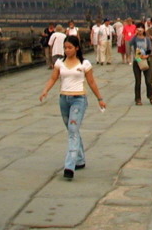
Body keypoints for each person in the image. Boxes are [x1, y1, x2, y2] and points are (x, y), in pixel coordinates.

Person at [39, 36, 105, 180]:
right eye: (65, 48)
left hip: (79, 99)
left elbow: (91, 82)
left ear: (77, 48)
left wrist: (100, 99)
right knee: (71, 129)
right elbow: (53, 78)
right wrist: (45, 90)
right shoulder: (60, 62)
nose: (67, 50)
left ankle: (70, 165)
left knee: (73, 130)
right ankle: (80, 158)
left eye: (69, 47)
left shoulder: (84, 63)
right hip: (64, 99)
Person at [127, 23, 152, 105]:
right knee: (138, 81)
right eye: (138, 28)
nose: (140, 30)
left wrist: (146, 55)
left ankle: (150, 97)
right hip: (137, 61)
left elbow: (149, 49)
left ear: (144, 29)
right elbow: (130, 44)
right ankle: (138, 99)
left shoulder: (147, 39)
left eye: (141, 28)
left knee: (148, 81)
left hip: (145, 61)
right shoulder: (135, 39)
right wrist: (135, 35)